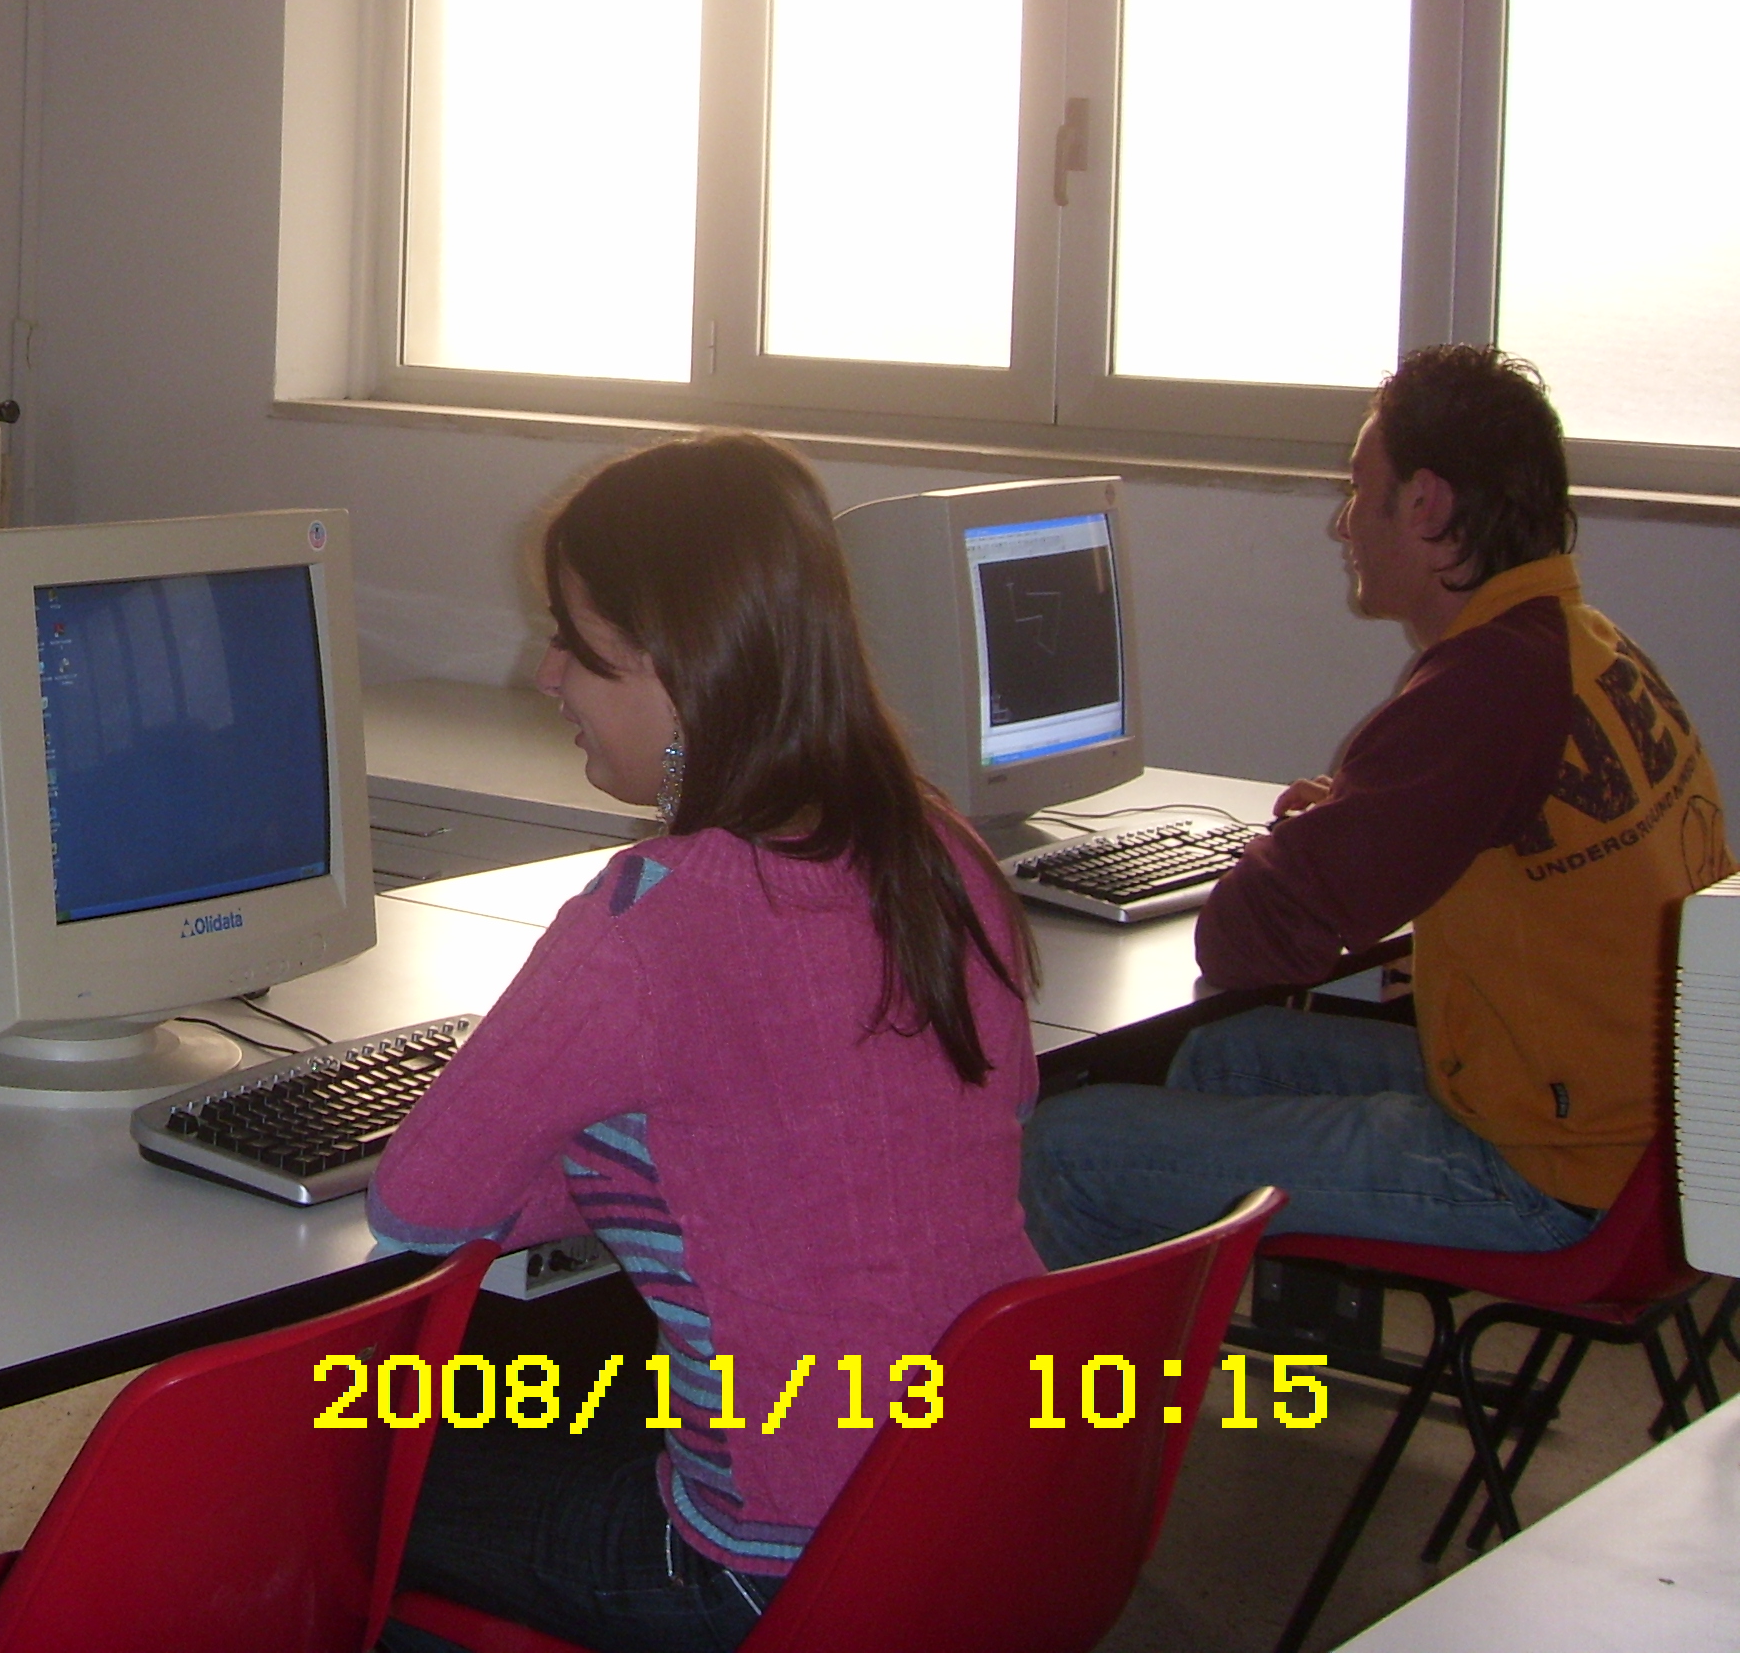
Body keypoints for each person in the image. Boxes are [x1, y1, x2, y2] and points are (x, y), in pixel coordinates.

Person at [371, 433, 1041, 1653]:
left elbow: (422, 1204)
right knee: (569, 1401)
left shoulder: (651, 917)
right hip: (993, 1506)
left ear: (685, 665)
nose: (547, 676)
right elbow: (965, 1120)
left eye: (578, 645)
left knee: (337, 1472)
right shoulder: (940, 854)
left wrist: (611, 1160)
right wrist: (674, 1156)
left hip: (768, 1568)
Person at [1023, 345, 1731, 1270]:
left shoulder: (1480, 690)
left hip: (1550, 1172)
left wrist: (1320, 832)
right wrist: (1371, 815)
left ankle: (1090, 1368)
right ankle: (1192, 1336)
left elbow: (1246, 942)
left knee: (1066, 1147)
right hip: (1649, 1141)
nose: (1343, 522)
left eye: (1360, 490)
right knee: (1217, 1057)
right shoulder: (1583, 647)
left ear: (1425, 504)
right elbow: (1489, 832)